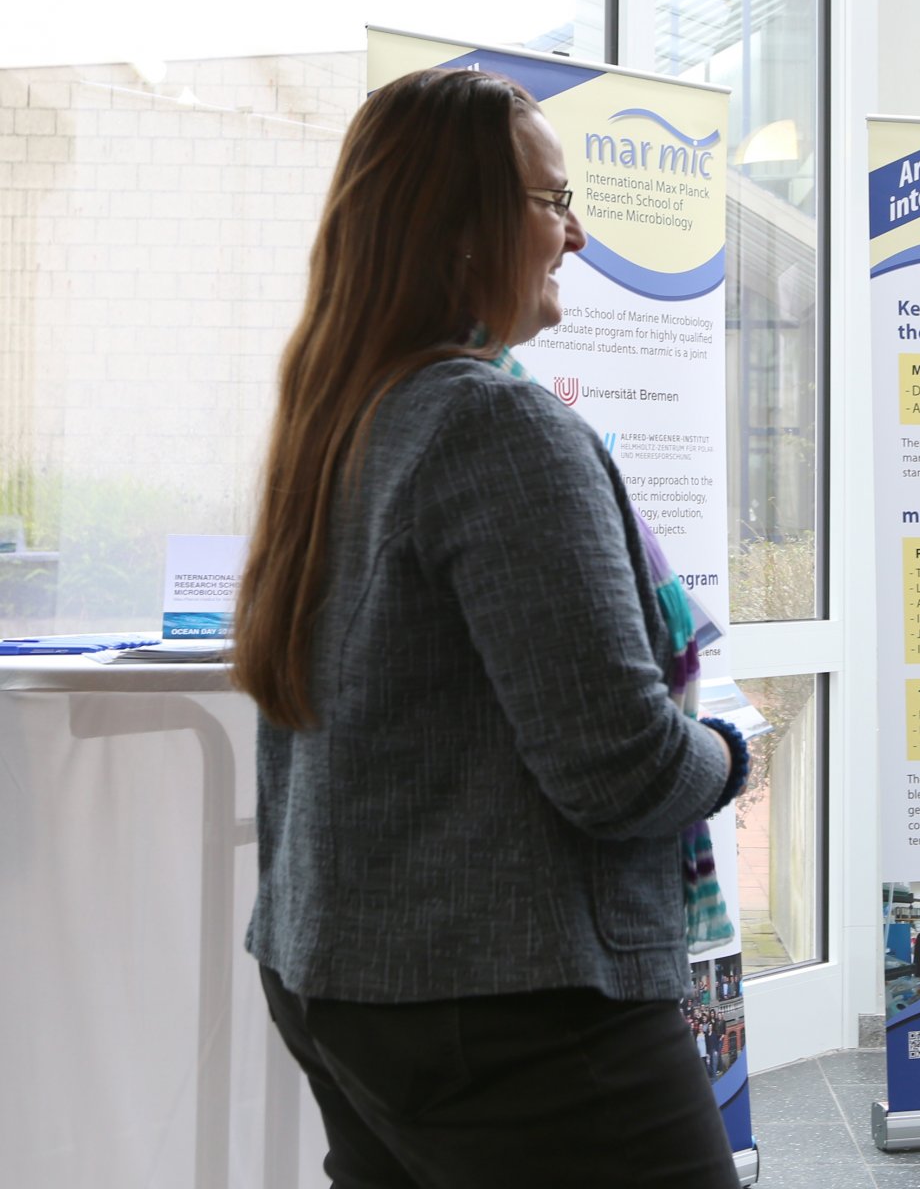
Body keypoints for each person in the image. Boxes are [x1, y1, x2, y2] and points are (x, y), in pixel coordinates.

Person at [229, 67, 751, 1189]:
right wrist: (733, 751)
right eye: (554, 201)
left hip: (345, 982)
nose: (576, 235)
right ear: (463, 226)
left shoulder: (339, 421)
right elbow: (618, 767)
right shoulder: (497, 421)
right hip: (512, 1004)